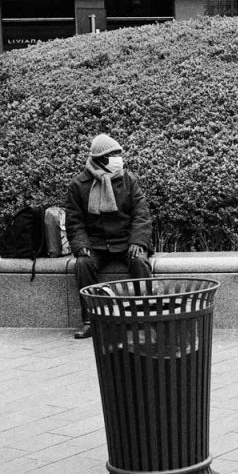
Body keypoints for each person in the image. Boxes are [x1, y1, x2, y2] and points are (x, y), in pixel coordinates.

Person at [66, 133, 154, 339]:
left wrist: (137, 241)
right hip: (96, 244)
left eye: (118, 154)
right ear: (100, 159)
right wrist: (81, 245)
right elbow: (74, 221)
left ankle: (145, 317)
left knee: (140, 262)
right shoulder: (78, 185)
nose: (118, 159)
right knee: (83, 264)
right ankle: (91, 321)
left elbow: (141, 214)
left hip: (126, 242)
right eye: (113, 155)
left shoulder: (128, 180)